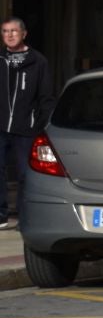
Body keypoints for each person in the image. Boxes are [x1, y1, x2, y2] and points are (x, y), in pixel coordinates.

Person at [1, 17, 55, 231]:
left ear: (24, 34)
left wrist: (42, 123)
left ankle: (25, 217)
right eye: (5, 31)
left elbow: (46, 96)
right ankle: (1, 214)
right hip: (1, 127)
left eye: (14, 31)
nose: (10, 35)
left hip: (26, 128)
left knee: (26, 173)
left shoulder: (38, 61)